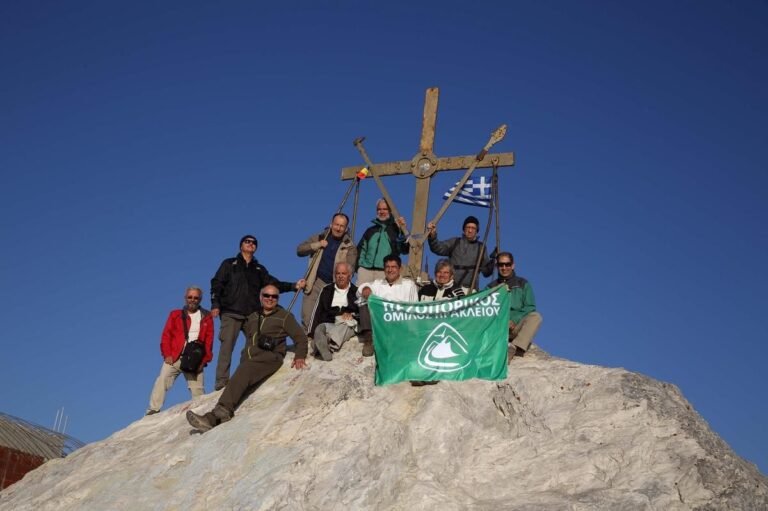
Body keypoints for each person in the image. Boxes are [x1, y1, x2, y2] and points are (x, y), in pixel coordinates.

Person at [186, 285, 308, 432]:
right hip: (250, 358)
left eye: (274, 296)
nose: (270, 299)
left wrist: (300, 355)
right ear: (261, 297)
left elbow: (300, 338)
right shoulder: (253, 316)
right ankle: (215, 420)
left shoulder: (284, 316)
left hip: (270, 357)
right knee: (238, 383)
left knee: (244, 372)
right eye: (267, 295)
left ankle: (218, 413)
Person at [210, 235, 306, 391]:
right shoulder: (229, 264)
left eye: (254, 243)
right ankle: (222, 381)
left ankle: (247, 376)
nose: (250, 244)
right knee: (227, 345)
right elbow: (217, 284)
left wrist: (294, 286)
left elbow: (273, 284)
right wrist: (216, 304)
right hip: (231, 312)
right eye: (247, 242)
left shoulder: (258, 269)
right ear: (241, 245)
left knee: (254, 344)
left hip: (252, 314)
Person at [146, 287, 214, 415]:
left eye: (196, 298)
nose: (192, 300)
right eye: (190, 297)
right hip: (175, 356)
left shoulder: (207, 317)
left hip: (194, 358)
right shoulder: (175, 314)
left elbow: (209, 341)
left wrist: (204, 361)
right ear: (185, 298)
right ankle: (153, 410)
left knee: (198, 391)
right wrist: (167, 354)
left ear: (200, 299)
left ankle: (200, 415)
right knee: (162, 380)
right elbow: (166, 335)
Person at [296, 213, 357, 331]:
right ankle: (308, 342)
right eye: (336, 224)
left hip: (333, 287)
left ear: (346, 228)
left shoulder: (350, 247)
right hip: (315, 282)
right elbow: (300, 250)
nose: (338, 228)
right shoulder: (319, 237)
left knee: (326, 318)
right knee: (307, 314)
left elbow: (351, 269)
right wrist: (317, 245)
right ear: (331, 224)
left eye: (342, 226)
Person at [357, 254, 418, 357]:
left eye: (393, 267)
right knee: (363, 302)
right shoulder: (378, 283)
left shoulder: (409, 285)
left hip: (399, 322)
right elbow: (361, 290)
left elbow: (414, 307)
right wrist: (365, 288)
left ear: (400, 269)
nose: (390, 270)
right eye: (387, 267)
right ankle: (369, 340)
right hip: (380, 321)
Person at [487, 251, 542, 361]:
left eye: (507, 264)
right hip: (498, 327)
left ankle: (514, 348)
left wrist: (514, 320)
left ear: (513, 265)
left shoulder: (523, 283)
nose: (504, 267)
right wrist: (502, 321)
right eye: (501, 265)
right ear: (497, 267)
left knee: (536, 316)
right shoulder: (490, 287)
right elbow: (485, 309)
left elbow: (530, 307)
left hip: (515, 327)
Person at [307, 262, 359, 361]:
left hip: (346, 322)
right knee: (320, 327)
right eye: (338, 274)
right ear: (334, 275)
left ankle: (326, 344)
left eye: (343, 274)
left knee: (347, 323)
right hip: (330, 323)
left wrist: (352, 315)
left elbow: (362, 312)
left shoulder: (356, 291)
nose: (340, 276)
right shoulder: (326, 289)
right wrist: (311, 333)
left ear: (349, 275)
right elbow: (317, 311)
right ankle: (321, 341)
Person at [426, 215, 494, 290]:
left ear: (477, 231)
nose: (470, 230)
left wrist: (494, 261)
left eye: (473, 228)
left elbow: (486, 272)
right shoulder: (455, 242)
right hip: (451, 289)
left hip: (470, 290)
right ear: (464, 229)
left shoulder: (481, 248)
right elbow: (437, 248)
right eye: (468, 227)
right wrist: (432, 236)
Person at [356, 198, 409, 285]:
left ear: (390, 211)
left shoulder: (395, 230)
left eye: (385, 209)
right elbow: (361, 249)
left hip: (384, 271)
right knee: (361, 297)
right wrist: (359, 267)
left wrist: (403, 230)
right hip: (365, 271)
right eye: (379, 209)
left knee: (380, 298)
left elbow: (404, 249)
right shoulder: (370, 230)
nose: (381, 211)